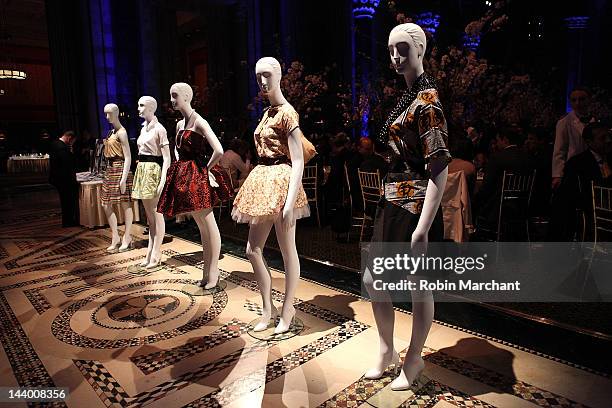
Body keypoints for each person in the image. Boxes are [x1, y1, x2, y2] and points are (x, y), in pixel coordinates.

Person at [557, 122, 612, 240]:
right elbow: (571, 197)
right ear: (589, 142)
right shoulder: (578, 164)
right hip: (593, 213)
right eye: (603, 138)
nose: (608, 140)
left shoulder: (610, 159)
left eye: (609, 136)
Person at [473, 127, 531, 232]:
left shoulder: (497, 158)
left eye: (498, 140)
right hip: (524, 204)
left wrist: (475, 199)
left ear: (505, 140)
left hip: (499, 206)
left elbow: (487, 187)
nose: (496, 144)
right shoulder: (527, 157)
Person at [551, 87, 595, 189]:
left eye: (582, 99)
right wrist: (557, 175)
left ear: (589, 100)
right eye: (574, 100)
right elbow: (559, 150)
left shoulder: (595, 120)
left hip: (593, 167)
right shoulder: (564, 122)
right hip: (574, 168)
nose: (578, 103)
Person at [49, 130, 79, 227]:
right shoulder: (62, 147)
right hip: (63, 179)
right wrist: (71, 152)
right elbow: (67, 164)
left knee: (65, 200)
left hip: (57, 178)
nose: (72, 144)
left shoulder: (55, 144)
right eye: (72, 141)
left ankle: (68, 220)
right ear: (69, 138)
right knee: (67, 200)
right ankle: (68, 222)